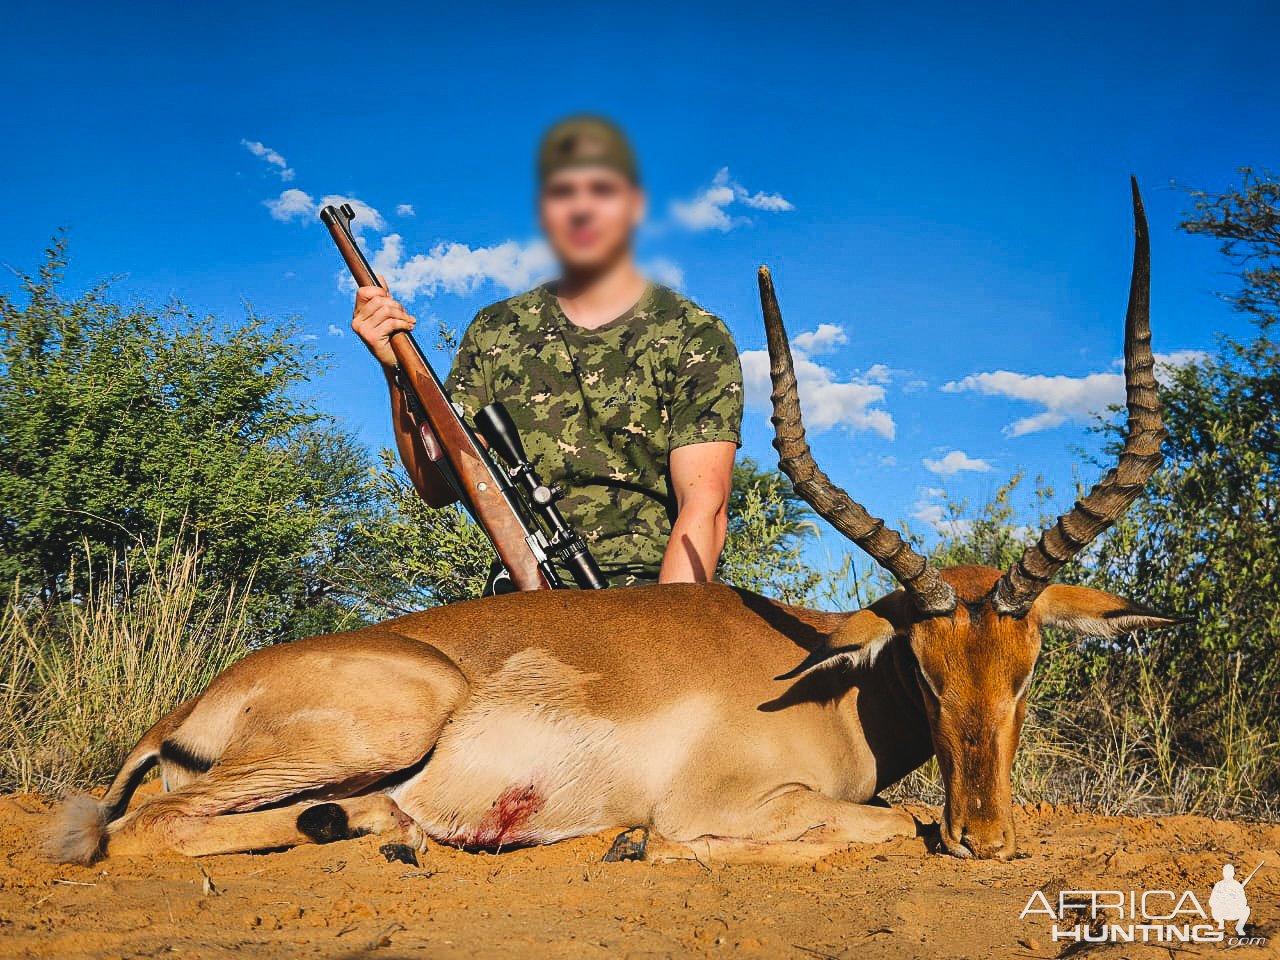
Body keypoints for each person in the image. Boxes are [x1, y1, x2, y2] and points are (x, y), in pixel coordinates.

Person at [352, 115, 743, 588]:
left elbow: (706, 506)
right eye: (563, 193)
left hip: (652, 595)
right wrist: (396, 372)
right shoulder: (495, 328)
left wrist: (662, 642)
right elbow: (437, 486)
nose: (581, 209)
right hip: (521, 592)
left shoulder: (693, 332)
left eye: (601, 189)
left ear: (634, 205)